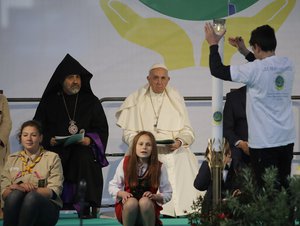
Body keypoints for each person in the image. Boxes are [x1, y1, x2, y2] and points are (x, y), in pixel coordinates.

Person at [204, 23, 295, 189]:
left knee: (265, 191)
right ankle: (285, 216)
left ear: (257, 47)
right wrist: (244, 51)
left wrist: (213, 44)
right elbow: (264, 66)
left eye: (254, 50)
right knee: (283, 190)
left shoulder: (254, 69)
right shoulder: (287, 64)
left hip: (264, 143)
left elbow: (217, 70)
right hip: (286, 139)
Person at [115, 63, 200, 217]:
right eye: (155, 78)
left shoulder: (176, 97)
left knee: (184, 157)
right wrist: (143, 143)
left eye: (163, 78)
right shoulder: (136, 98)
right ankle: (149, 208)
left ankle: (182, 208)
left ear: (168, 80)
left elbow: (188, 130)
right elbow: (128, 133)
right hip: (145, 152)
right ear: (148, 79)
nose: (159, 82)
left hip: (172, 149)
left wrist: (180, 141)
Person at [33, 53, 109, 218]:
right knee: (54, 158)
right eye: (70, 77)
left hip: (82, 148)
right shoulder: (49, 101)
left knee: (84, 157)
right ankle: (50, 204)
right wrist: (49, 139)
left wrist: (89, 139)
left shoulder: (91, 101)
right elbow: (37, 127)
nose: (75, 80)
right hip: (55, 149)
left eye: (78, 77)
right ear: (61, 80)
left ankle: (85, 205)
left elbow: (102, 128)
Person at [1, 120, 63, 226]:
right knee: (14, 194)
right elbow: (4, 193)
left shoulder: (52, 158)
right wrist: (16, 187)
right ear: (20, 138)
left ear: (40, 138)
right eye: (25, 135)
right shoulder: (11, 159)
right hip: (17, 206)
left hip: (45, 209)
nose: (29, 139)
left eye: (33, 135)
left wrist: (29, 189)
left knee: (32, 197)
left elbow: (53, 191)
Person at [109, 131, 172, 226]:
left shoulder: (159, 166)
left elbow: (168, 193)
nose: (144, 147)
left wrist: (155, 196)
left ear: (153, 148)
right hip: (128, 209)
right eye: (140, 144)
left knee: (145, 201)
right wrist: (121, 193)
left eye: (148, 145)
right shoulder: (125, 162)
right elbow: (112, 186)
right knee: (131, 202)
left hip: (148, 211)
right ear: (135, 147)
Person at [194, 139, 241, 214]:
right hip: (210, 210)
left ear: (228, 154)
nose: (216, 160)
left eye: (219, 157)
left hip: (234, 211)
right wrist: (208, 165)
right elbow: (199, 185)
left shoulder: (238, 166)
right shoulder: (208, 165)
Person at [223, 85, 250, 169]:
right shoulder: (233, 97)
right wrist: (241, 144)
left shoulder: (269, 96)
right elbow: (226, 129)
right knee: (234, 155)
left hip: (265, 146)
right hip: (241, 147)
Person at [0, 93, 12, 218]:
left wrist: (1, 139)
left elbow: (7, 122)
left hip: (0, 147)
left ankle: (2, 209)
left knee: (3, 177)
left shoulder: (1, 98)